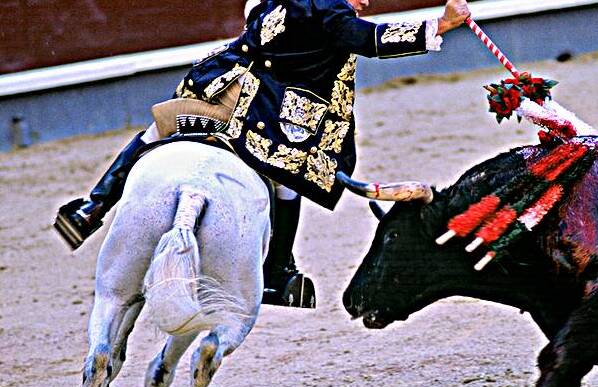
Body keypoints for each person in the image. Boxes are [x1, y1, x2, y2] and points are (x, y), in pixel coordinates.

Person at [54, 0, 471, 306]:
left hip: (220, 88)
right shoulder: (329, 11)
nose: (364, 3)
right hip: (265, 113)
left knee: (157, 128)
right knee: (290, 173)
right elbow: (372, 40)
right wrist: (442, 23)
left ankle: (91, 208)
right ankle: (277, 271)